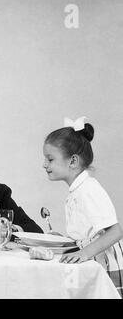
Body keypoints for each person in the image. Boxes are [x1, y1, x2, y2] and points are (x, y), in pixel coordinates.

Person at [43, 117, 123, 297]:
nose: (44, 165)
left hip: (103, 263)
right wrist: (64, 239)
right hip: (91, 260)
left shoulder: (88, 190)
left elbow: (115, 231)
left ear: (72, 161)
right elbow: (86, 232)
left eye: (50, 159)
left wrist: (85, 253)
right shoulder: (78, 190)